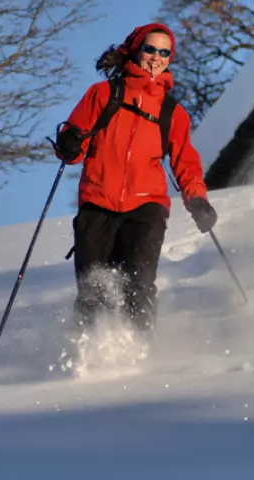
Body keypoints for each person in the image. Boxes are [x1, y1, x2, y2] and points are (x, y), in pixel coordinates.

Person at [53, 22, 218, 337]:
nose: (156, 58)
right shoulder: (103, 94)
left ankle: (139, 349)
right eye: (150, 49)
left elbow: (186, 163)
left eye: (164, 53)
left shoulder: (172, 113)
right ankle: (88, 349)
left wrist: (197, 200)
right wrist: (70, 142)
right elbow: (73, 149)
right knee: (92, 289)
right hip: (97, 203)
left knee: (138, 285)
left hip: (146, 208)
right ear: (135, 50)